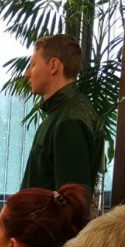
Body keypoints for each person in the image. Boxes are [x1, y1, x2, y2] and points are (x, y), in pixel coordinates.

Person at [20, 34, 103, 195]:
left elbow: (70, 203)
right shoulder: (62, 114)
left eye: (33, 65)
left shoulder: (69, 121)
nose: (27, 73)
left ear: (53, 66)